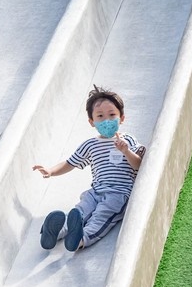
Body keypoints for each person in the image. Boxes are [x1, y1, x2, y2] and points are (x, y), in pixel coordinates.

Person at [33, 86, 145, 252]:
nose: (106, 120)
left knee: (100, 217)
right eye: (100, 116)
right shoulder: (90, 145)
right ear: (92, 122)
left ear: (121, 118)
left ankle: (80, 240)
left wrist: (126, 151)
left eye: (112, 115)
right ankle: (55, 232)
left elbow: (139, 165)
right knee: (79, 211)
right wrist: (51, 171)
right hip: (95, 192)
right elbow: (69, 163)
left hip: (119, 193)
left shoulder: (127, 140)